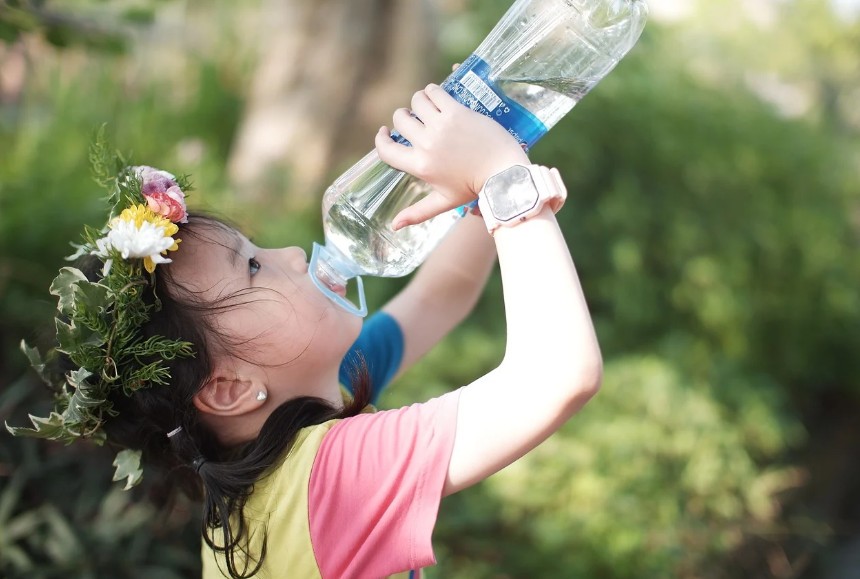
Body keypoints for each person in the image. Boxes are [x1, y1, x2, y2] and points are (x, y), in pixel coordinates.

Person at [8, 83, 602, 578]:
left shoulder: (278, 462)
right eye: (253, 266)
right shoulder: (332, 480)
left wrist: (486, 157)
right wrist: (502, 178)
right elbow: (557, 376)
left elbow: (441, 295)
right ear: (228, 389)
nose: (292, 252)